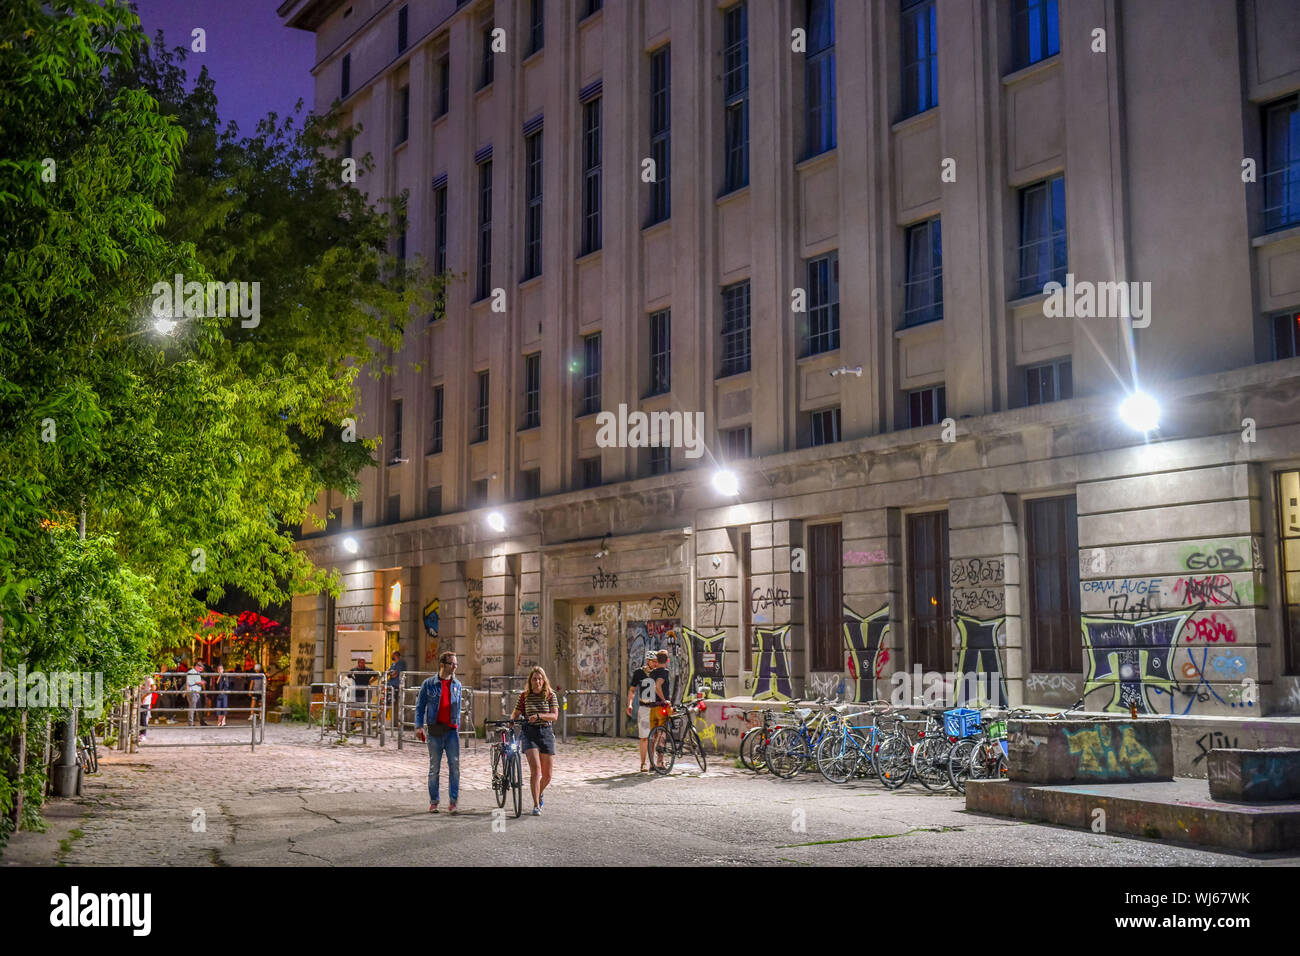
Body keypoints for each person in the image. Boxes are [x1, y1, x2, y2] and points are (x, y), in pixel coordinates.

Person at [415, 652, 462, 814]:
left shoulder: (457, 685)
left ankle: (453, 802)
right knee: (434, 768)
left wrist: (458, 727)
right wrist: (418, 726)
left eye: (456, 664)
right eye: (452, 664)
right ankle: (434, 802)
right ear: (442, 664)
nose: (455, 666)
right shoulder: (428, 684)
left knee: (454, 767)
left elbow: (459, 708)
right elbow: (420, 707)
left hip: (451, 732)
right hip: (434, 731)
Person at [511, 666, 559, 815]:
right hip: (529, 733)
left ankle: (539, 792)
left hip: (545, 732)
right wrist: (512, 720)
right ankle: (536, 805)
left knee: (548, 775)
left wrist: (539, 716)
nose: (537, 681)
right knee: (536, 771)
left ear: (544, 680)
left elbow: (554, 716)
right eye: (534, 679)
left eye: (539, 678)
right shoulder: (524, 696)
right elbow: (517, 712)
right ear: (530, 681)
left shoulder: (550, 695)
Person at [626, 653, 658, 772]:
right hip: (644, 708)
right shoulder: (639, 673)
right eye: (653, 661)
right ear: (647, 661)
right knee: (644, 736)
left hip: (656, 708)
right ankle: (643, 763)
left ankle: (652, 763)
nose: (655, 663)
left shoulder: (658, 672)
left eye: (656, 661)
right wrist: (629, 703)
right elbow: (632, 689)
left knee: (654, 737)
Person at [648, 650, 672, 769]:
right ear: (667, 660)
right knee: (663, 733)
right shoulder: (664, 672)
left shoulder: (652, 673)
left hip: (652, 707)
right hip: (661, 707)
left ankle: (651, 763)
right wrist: (664, 700)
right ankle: (659, 762)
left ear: (657, 660)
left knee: (653, 736)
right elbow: (657, 686)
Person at [385, 651, 407, 721]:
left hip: (396, 686)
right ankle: (384, 720)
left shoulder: (401, 663)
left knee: (395, 704)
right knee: (387, 703)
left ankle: (397, 721)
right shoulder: (393, 664)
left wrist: (391, 673)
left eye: (392, 655)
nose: (391, 656)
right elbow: (387, 672)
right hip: (390, 685)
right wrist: (391, 673)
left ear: (395, 655)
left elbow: (395, 674)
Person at [185, 662, 206, 726]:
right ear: (197, 666)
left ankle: (201, 722)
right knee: (192, 707)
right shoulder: (191, 672)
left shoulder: (197, 673)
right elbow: (190, 682)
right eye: (200, 668)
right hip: (192, 692)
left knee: (198, 707)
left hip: (196, 692)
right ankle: (190, 723)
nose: (201, 670)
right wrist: (200, 682)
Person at [139, 676, 155, 742]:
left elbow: (153, 688)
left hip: (145, 701)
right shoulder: (139, 677)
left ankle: (143, 734)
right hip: (139, 699)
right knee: (139, 717)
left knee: (143, 717)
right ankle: (140, 733)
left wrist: (144, 696)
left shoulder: (149, 678)